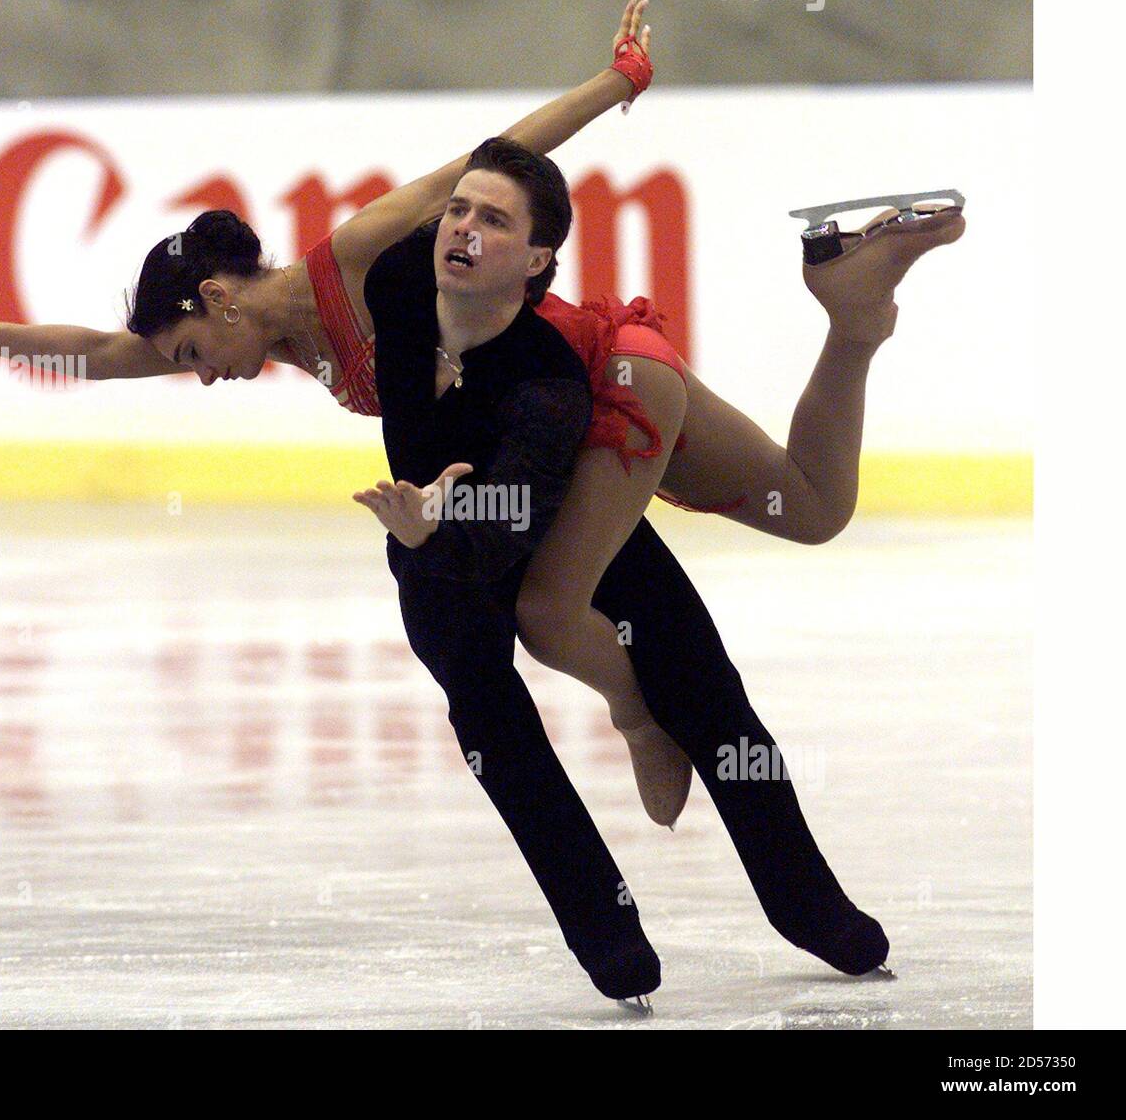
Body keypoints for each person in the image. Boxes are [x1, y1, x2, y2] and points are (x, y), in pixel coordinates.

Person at [0, 0, 965, 827]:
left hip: (600, 387)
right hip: (610, 388)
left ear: (220, 297)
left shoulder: (358, 252)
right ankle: (850, 307)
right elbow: (103, 356)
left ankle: (643, 715)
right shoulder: (271, 343)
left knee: (550, 614)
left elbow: (493, 159)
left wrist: (618, 82)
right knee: (816, 506)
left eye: (190, 351)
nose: (192, 376)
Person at [350, 140, 890, 1005]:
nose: (463, 228)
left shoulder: (547, 385)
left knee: (701, 680)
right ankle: (606, 928)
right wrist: (422, 536)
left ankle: (808, 902)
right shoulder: (396, 283)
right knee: (494, 725)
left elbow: (513, 525)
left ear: (536, 262)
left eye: (493, 219)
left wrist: (442, 522)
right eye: (459, 209)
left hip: (530, 512)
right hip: (434, 560)